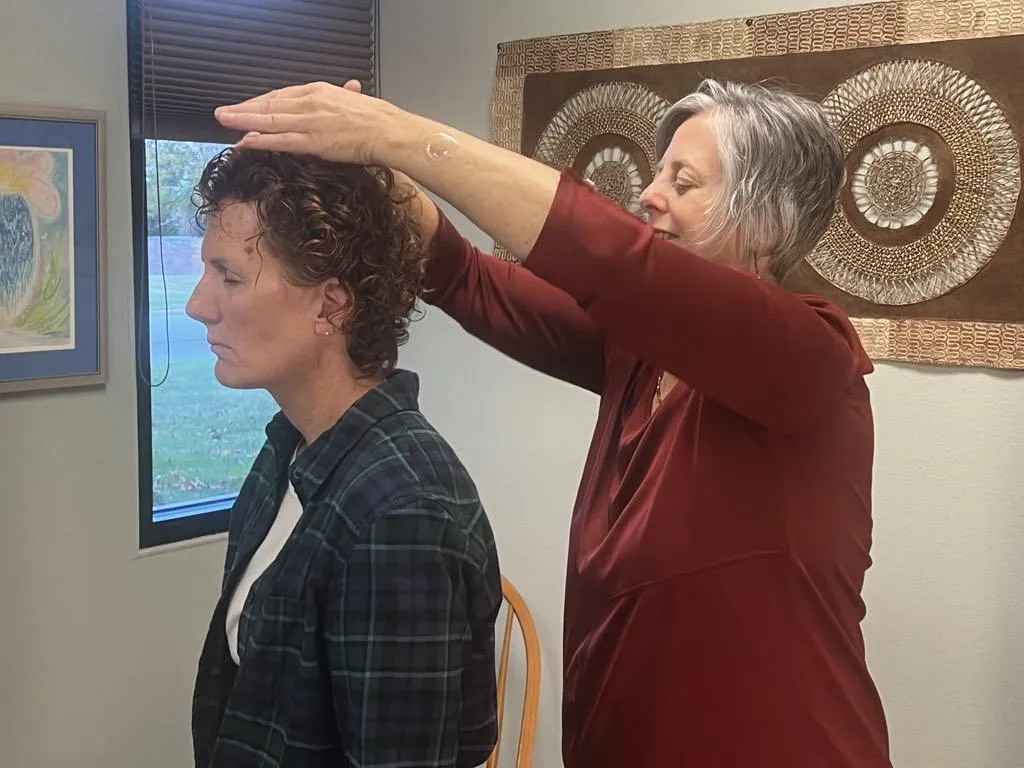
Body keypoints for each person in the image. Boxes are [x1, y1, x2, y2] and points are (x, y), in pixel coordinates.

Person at [214, 77, 892, 767]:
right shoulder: (640, 355)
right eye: (658, 174)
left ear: (768, 223)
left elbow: (611, 260)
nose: (650, 195)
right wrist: (366, 164)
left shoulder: (809, 363)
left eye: (683, 182)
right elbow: (462, 276)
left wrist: (395, 131)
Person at [185, 147, 502, 768]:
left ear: (332, 305)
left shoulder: (400, 515)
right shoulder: (287, 453)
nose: (198, 304)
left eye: (229, 276)